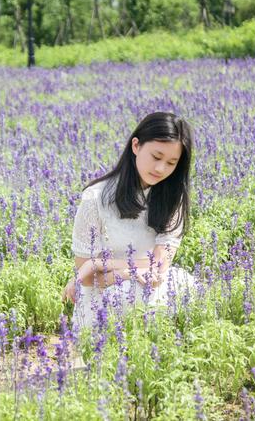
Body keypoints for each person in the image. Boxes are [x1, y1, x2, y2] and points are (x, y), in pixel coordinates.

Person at [62, 112, 196, 332]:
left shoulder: (173, 197)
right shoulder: (95, 198)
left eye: (171, 163)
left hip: (151, 286)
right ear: (136, 145)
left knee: (188, 288)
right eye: (156, 157)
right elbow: (88, 280)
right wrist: (128, 273)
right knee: (130, 296)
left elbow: (159, 268)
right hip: (105, 296)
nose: (161, 169)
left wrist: (96, 264)